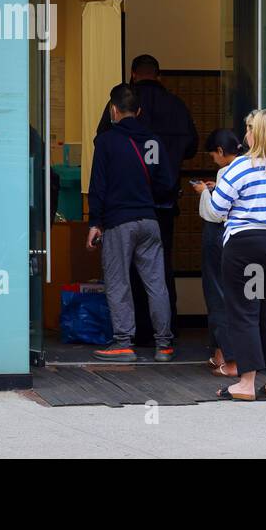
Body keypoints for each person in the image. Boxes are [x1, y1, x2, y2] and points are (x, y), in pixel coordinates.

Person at [97, 54, 198, 340]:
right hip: (160, 207)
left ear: (132, 74)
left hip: (122, 207)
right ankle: (163, 336)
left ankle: (127, 336)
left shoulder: (116, 114)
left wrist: (97, 216)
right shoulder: (177, 106)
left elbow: (101, 152)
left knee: (121, 275)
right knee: (159, 275)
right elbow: (191, 147)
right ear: (159, 75)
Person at [199, 109, 266, 401]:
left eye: (249, 129)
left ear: (257, 134)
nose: (245, 135)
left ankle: (246, 383)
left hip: (245, 244)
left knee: (244, 313)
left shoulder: (239, 168)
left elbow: (216, 211)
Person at [86, 83, 175, 362]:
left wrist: (95, 222)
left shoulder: (106, 142)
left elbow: (98, 185)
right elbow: (166, 184)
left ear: (113, 110)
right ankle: (164, 345)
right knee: (156, 283)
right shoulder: (153, 142)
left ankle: (123, 342)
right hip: (150, 220)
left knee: (118, 282)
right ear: (138, 111)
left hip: (118, 222)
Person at [195, 129, 242, 377]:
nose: (213, 159)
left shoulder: (227, 171)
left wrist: (204, 192)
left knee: (217, 294)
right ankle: (221, 354)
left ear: (222, 152)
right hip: (241, 240)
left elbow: (215, 212)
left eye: (213, 154)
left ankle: (229, 358)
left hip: (219, 235)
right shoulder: (248, 166)